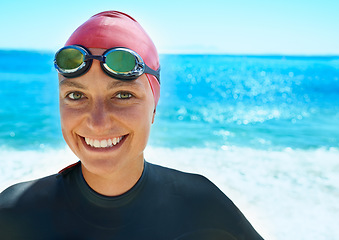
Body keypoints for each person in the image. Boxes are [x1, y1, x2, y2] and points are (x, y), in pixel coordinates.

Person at [0, 11, 263, 240]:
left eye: (123, 95)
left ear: (154, 107)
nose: (98, 123)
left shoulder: (204, 209)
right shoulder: (13, 213)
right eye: (76, 96)